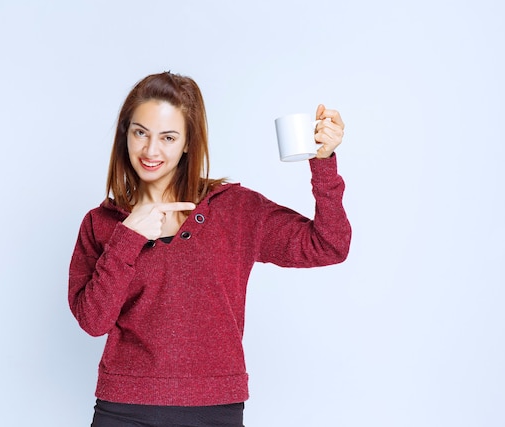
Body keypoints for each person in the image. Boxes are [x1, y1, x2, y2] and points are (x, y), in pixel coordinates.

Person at [68, 71, 351, 427]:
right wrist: (127, 237)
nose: (150, 150)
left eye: (168, 137)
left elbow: (329, 245)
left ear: (188, 142)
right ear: (126, 133)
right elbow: (93, 322)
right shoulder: (101, 224)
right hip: (123, 408)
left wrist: (323, 163)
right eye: (140, 132)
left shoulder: (235, 210)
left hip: (214, 410)